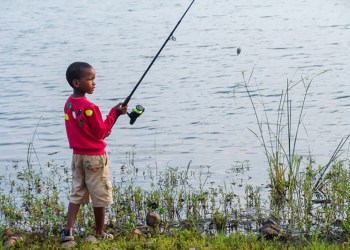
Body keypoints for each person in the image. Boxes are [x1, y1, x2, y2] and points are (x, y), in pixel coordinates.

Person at [61, 62, 128, 242]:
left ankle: (68, 231)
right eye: (90, 79)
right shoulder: (91, 108)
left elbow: (85, 130)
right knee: (100, 194)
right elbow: (101, 133)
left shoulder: (68, 104)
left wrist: (112, 117)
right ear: (77, 83)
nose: (93, 83)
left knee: (77, 191)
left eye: (93, 79)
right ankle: (99, 233)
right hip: (95, 158)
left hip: (77, 156)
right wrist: (115, 113)